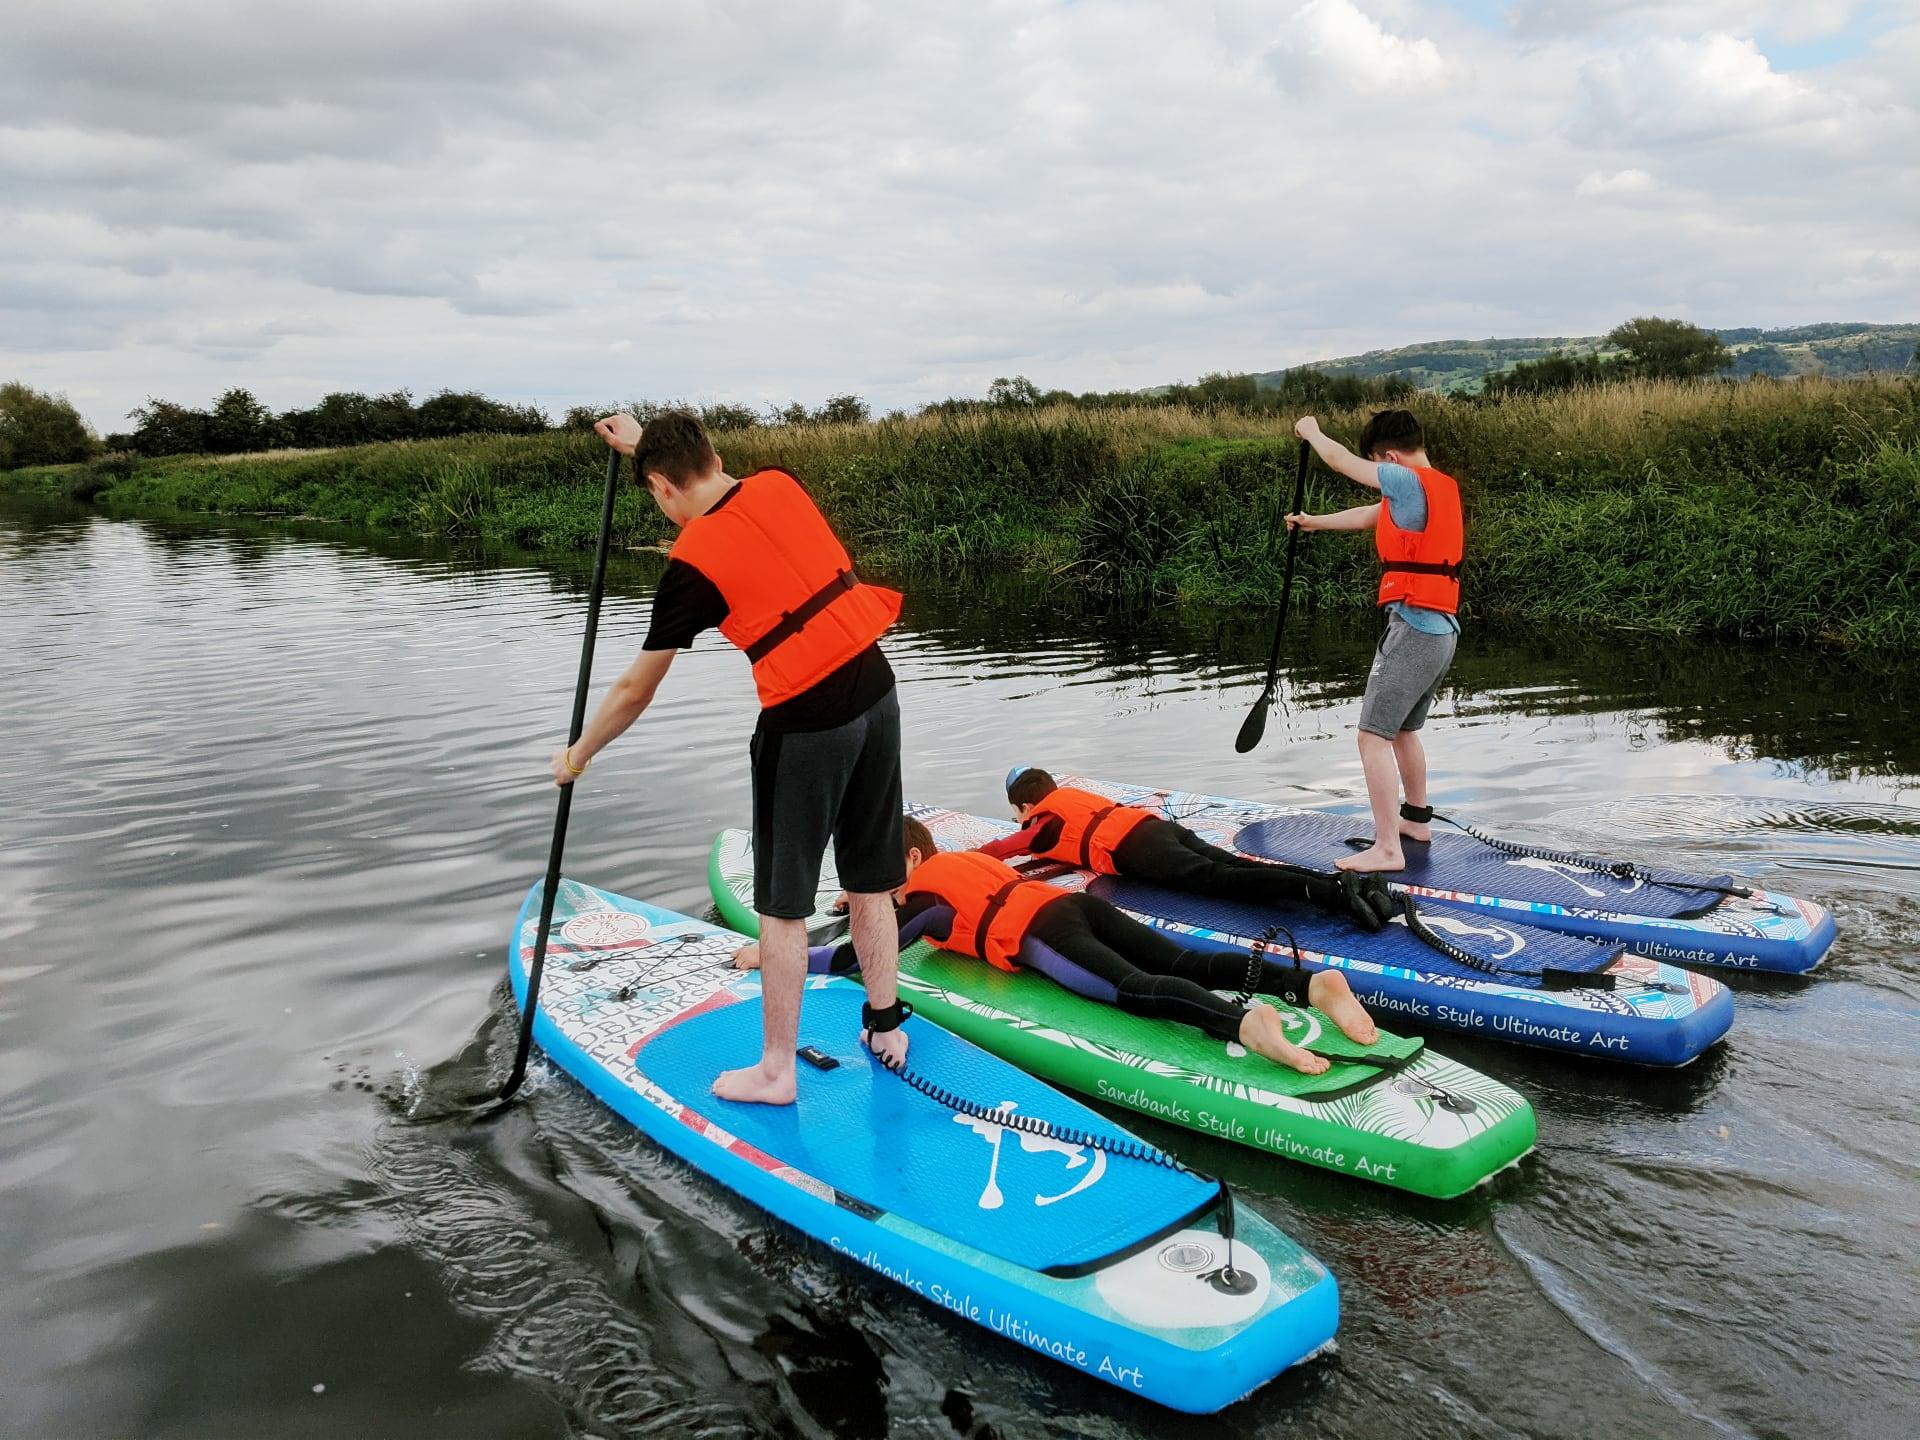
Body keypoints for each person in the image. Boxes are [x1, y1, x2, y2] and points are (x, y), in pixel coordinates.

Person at [550, 409, 909, 1105]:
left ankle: (776, 1072)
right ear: (711, 453)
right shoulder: (780, 482)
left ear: (659, 487)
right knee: (869, 880)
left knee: (781, 910)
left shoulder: (690, 567)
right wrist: (646, 453)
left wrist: (578, 755)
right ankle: (886, 1024)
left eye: (657, 490)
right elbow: (720, 492)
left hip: (806, 726)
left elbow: (634, 690)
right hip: (878, 695)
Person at [734, 817, 1380, 1076]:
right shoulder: (953, 865)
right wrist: (862, 900)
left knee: (1136, 990)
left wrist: (774, 955)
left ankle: (1247, 1024)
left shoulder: (927, 904)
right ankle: (1307, 986)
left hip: (1046, 937)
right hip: (1072, 906)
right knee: (1179, 959)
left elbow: (859, 961)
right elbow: (895, 904)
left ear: (909, 858)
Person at [1287, 410, 1462, 874]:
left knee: (1371, 737)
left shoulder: (1405, 478)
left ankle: (1387, 848)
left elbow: (1342, 462)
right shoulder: (1436, 485)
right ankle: (1416, 821)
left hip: (1414, 628)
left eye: (1379, 466)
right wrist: (1315, 522)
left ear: (1388, 457)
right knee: (1403, 729)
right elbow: (1372, 516)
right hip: (1442, 631)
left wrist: (1312, 433)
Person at [984, 767, 1395, 930]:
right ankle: (1341, 882)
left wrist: (966, 859)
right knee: (1235, 865)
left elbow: (1005, 847)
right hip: (1158, 828)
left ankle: (1332, 894)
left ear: (1024, 807)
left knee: (1223, 880)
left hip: (1138, 848)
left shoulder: (1040, 822)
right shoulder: (1073, 797)